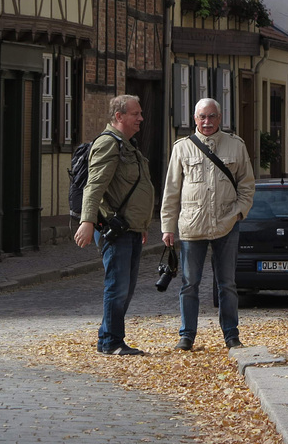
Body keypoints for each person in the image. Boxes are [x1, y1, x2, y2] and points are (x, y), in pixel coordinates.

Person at [161, 98, 255, 351]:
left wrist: (238, 214)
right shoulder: (182, 148)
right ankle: (187, 335)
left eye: (212, 116)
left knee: (227, 283)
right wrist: (167, 227)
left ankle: (231, 335)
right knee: (189, 283)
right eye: (202, 117)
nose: (207, 122)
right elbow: (171, 191)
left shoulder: (235, 146)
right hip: (192, 227)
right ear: (194, 119)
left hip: (226, 224)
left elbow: (247, 185)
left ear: (220, 118)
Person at [74, 94, 155, 356]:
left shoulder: (127, 145)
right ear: (119, 117)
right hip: (115, 231)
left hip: (130, 229)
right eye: (136, 114)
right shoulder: (110, 144)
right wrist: (86, 221)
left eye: (140, 113)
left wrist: (142, 224)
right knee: (117, 288)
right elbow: (94, 186)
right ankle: (111, 342)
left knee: (125, 288)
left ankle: (108, 337)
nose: (141, 118)